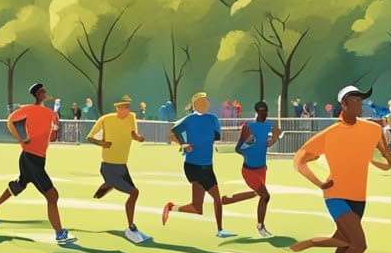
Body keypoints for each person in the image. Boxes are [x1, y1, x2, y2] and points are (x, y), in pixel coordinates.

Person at [278, 86, 391, 253]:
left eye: (362, 99)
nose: (360, 104)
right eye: (355, 99)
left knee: (341, 242)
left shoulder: (372, 129)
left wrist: (383, 150)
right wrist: (318, 181)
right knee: (358, 244)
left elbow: (386, 163)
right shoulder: (330, 133)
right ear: (344, 104)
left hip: (358, 198)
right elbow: (299, 159)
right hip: (335, 195)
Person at [0, 82, 75, 245]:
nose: (44, 93)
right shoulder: (29, 109)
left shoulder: (51, 114)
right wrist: (20, 138)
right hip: (30, 158)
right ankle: (60, 234)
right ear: (36, 95)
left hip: (37, 159)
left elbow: (53, 138)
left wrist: (55, 127)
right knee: (52, 196)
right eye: (41, 91)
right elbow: (10, 120)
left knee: (19, 185)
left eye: (44, 91)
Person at [162, 91, 235, 239]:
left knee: (197, 208)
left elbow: (217, 136)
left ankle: (172, 208)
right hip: (193, 166)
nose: (204, 105)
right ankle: (220, 230)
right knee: (216, 198)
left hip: (207, 166)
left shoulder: (213, 118)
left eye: (206, 102)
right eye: (200, 102)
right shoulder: (188, 120)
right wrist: (184, 144)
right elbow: (173, 132)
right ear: (194, 105)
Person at [87, 95, 150, 244]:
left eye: (128, 106)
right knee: (134, 192)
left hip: (123, 166)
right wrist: (102, 143)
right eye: (123, 107)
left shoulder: (131, 117)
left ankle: (108, 184)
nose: (126, 110)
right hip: (108, 167)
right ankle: (131, 227)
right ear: (117, 108)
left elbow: (133, 134)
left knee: (130, 191)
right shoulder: (106, 119)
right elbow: (89, 137)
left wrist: (139, 137)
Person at [231, 100, 281, 237]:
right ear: (256, 112)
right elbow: (238, 148)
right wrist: (249, 148)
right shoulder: (248, 127)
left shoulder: (268, 126)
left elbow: (266, 144)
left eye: (265, 111)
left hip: (261, 169)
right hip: (249, 170)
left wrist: (275, 137)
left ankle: (227, 200)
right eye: (260, 111)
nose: (263, 113)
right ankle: (261, 227)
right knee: (265, 196)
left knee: (261, 196)